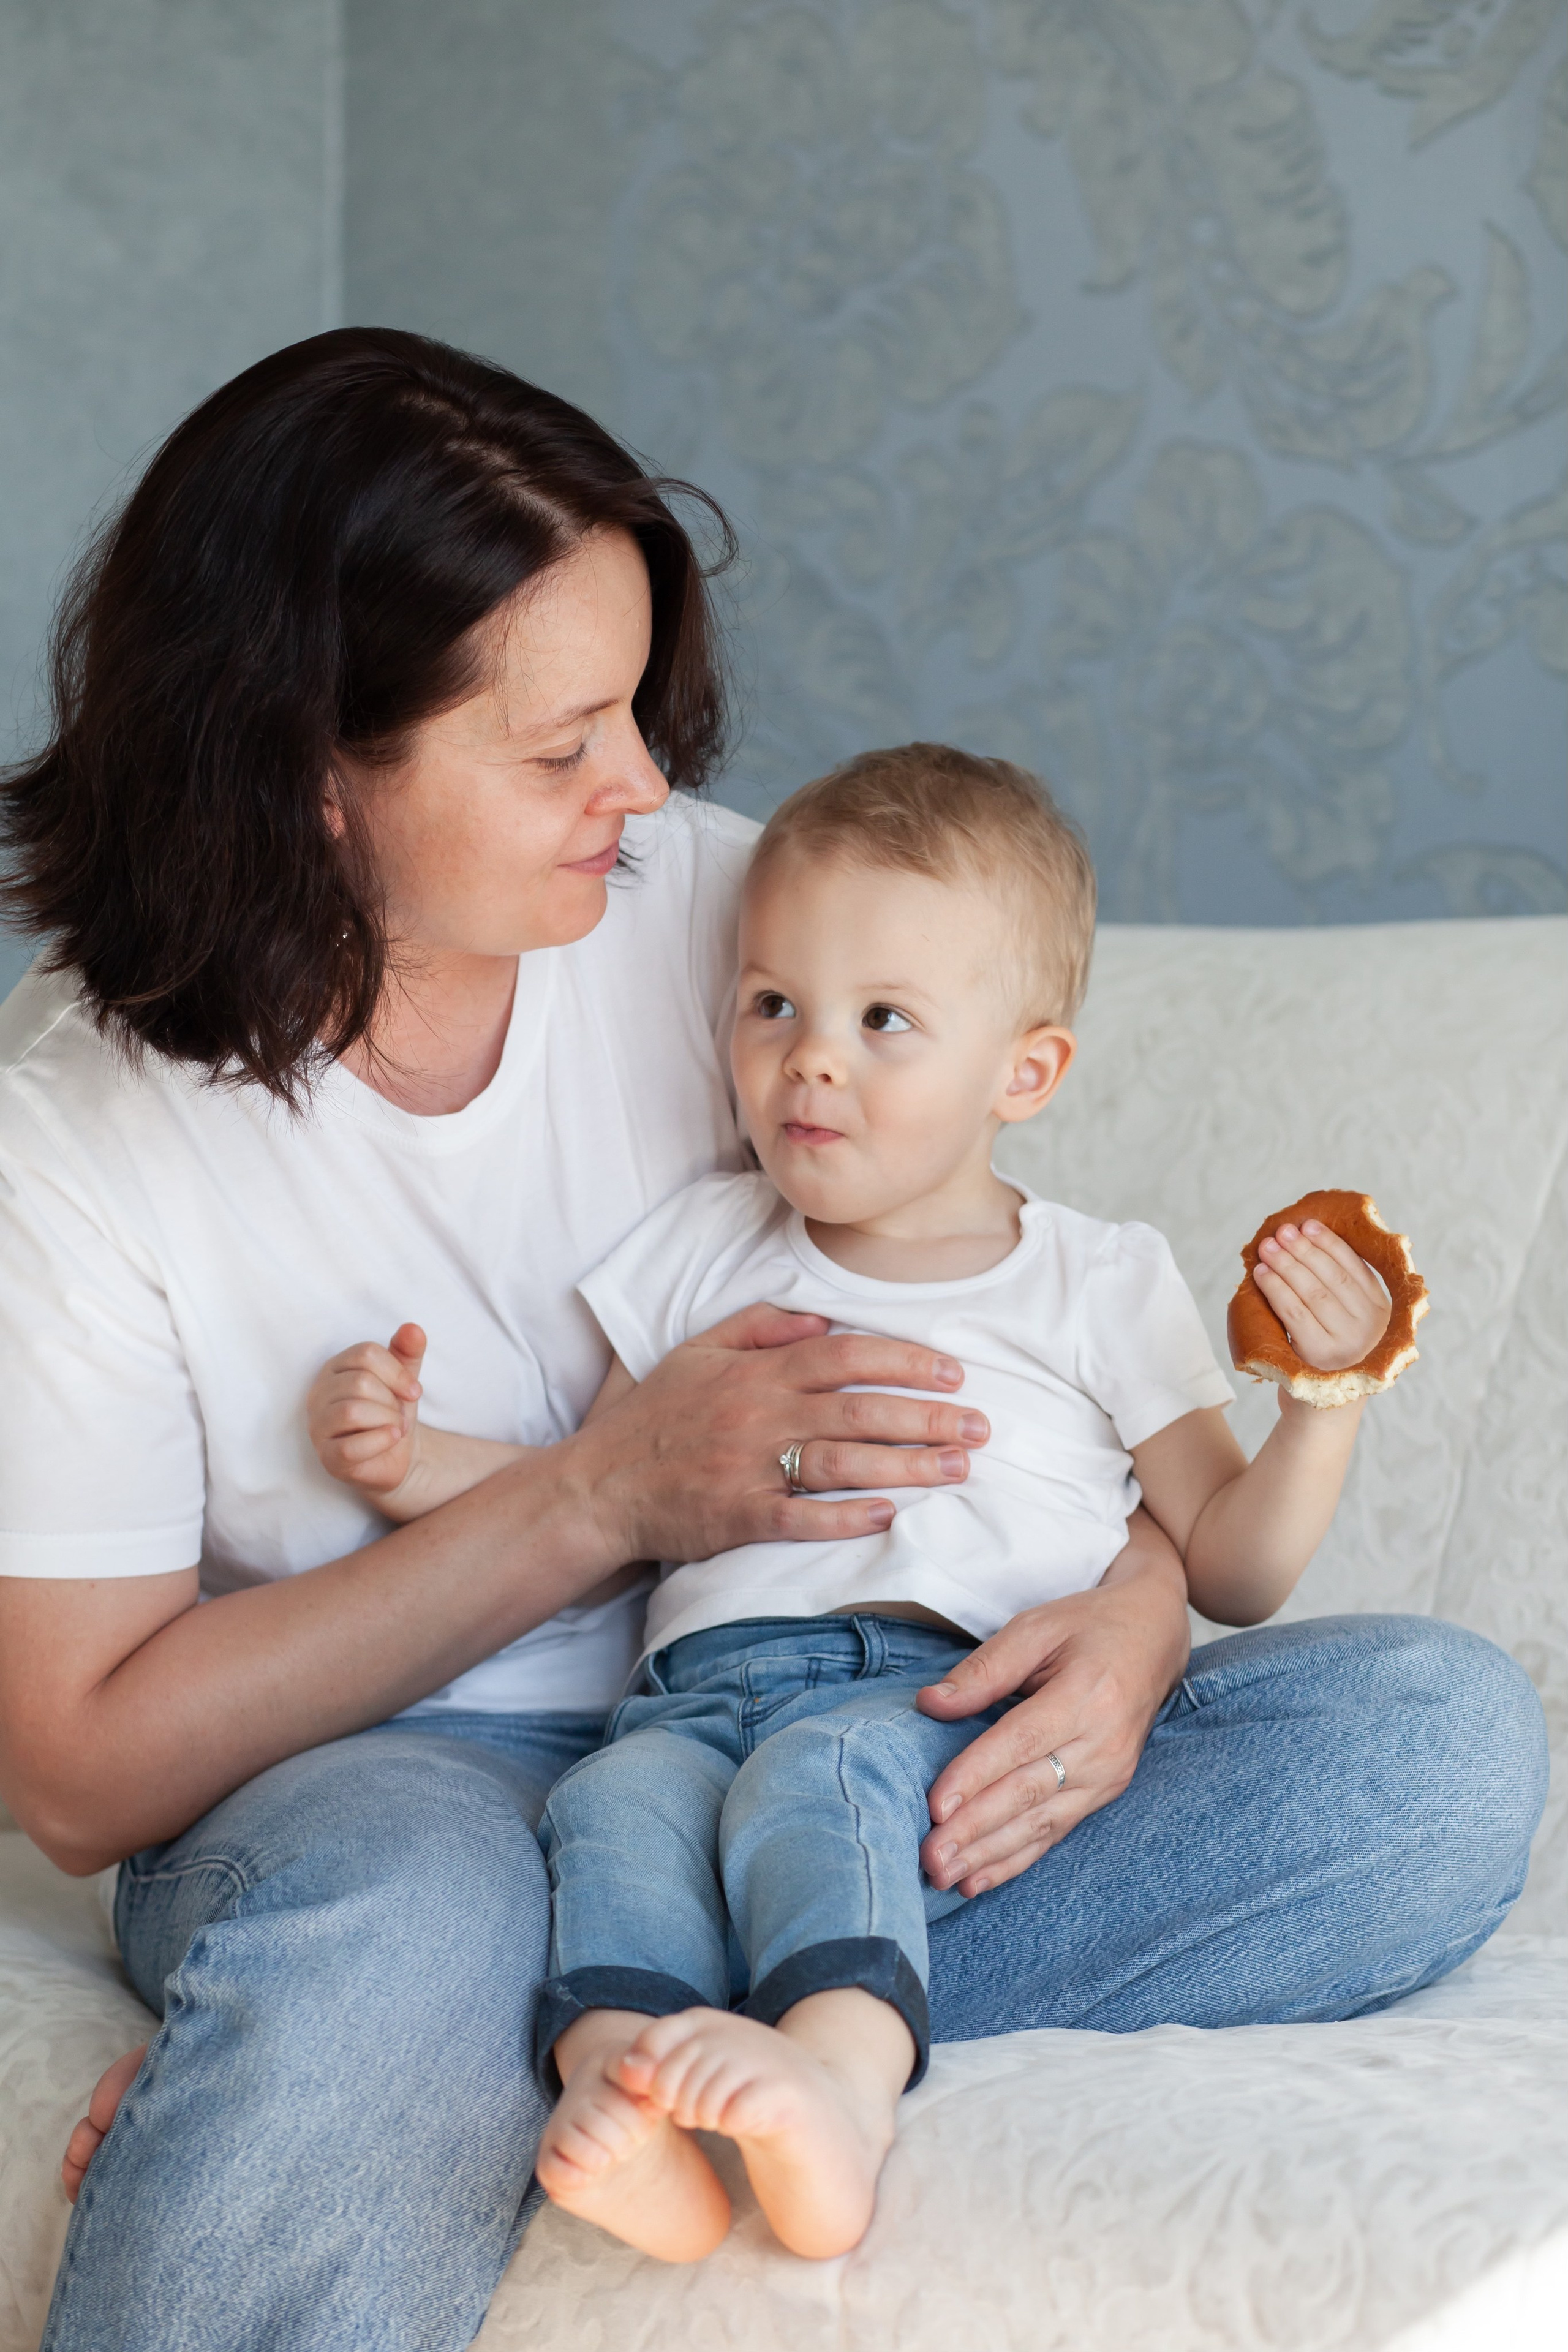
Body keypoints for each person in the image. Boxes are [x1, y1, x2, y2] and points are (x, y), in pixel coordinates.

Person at [0, 331, 1545, 2352]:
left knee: (1429, 1740)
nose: (645, 788)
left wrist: (1142, 1613)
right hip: (396, 1781)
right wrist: (593, 1501)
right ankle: (445, 2009)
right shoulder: (79, 1133)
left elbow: (1027, 1344)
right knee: (407, 1922)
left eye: (638, 710)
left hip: (848, 1741)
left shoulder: (746, 927)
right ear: (314, 775)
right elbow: (82, 1768)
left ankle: (540, 2043)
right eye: (561, 749)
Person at [300, 747, 1409, 2263]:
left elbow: (1234, 1564)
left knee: (816, 1786)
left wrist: (1320, 1402)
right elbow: (590, 1488)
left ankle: (838, 2095)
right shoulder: (704, 1244)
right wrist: (409, 1460)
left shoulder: (1093, 1279)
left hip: (922, 1696)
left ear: (1024, 1071)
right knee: (609, 1817)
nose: (809, 1059)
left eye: (882, 1021)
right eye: (773, 1006)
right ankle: (624, 2109)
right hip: (682, 1701)